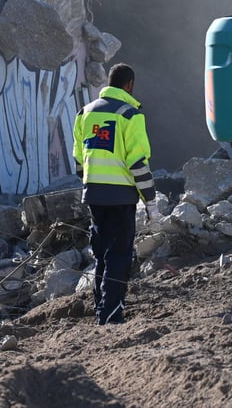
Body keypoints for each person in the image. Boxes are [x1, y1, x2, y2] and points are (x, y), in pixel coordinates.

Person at [72, 63, 158, 325]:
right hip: (121, 197)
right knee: (119, 254)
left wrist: (93, 184)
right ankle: (111, 314)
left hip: (95, 196)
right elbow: (137, 164)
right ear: (129, 85)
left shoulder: (84, 113)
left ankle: (102, 309)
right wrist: (151, 202)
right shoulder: (130, 115)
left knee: (101, 254)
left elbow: (79, 161)